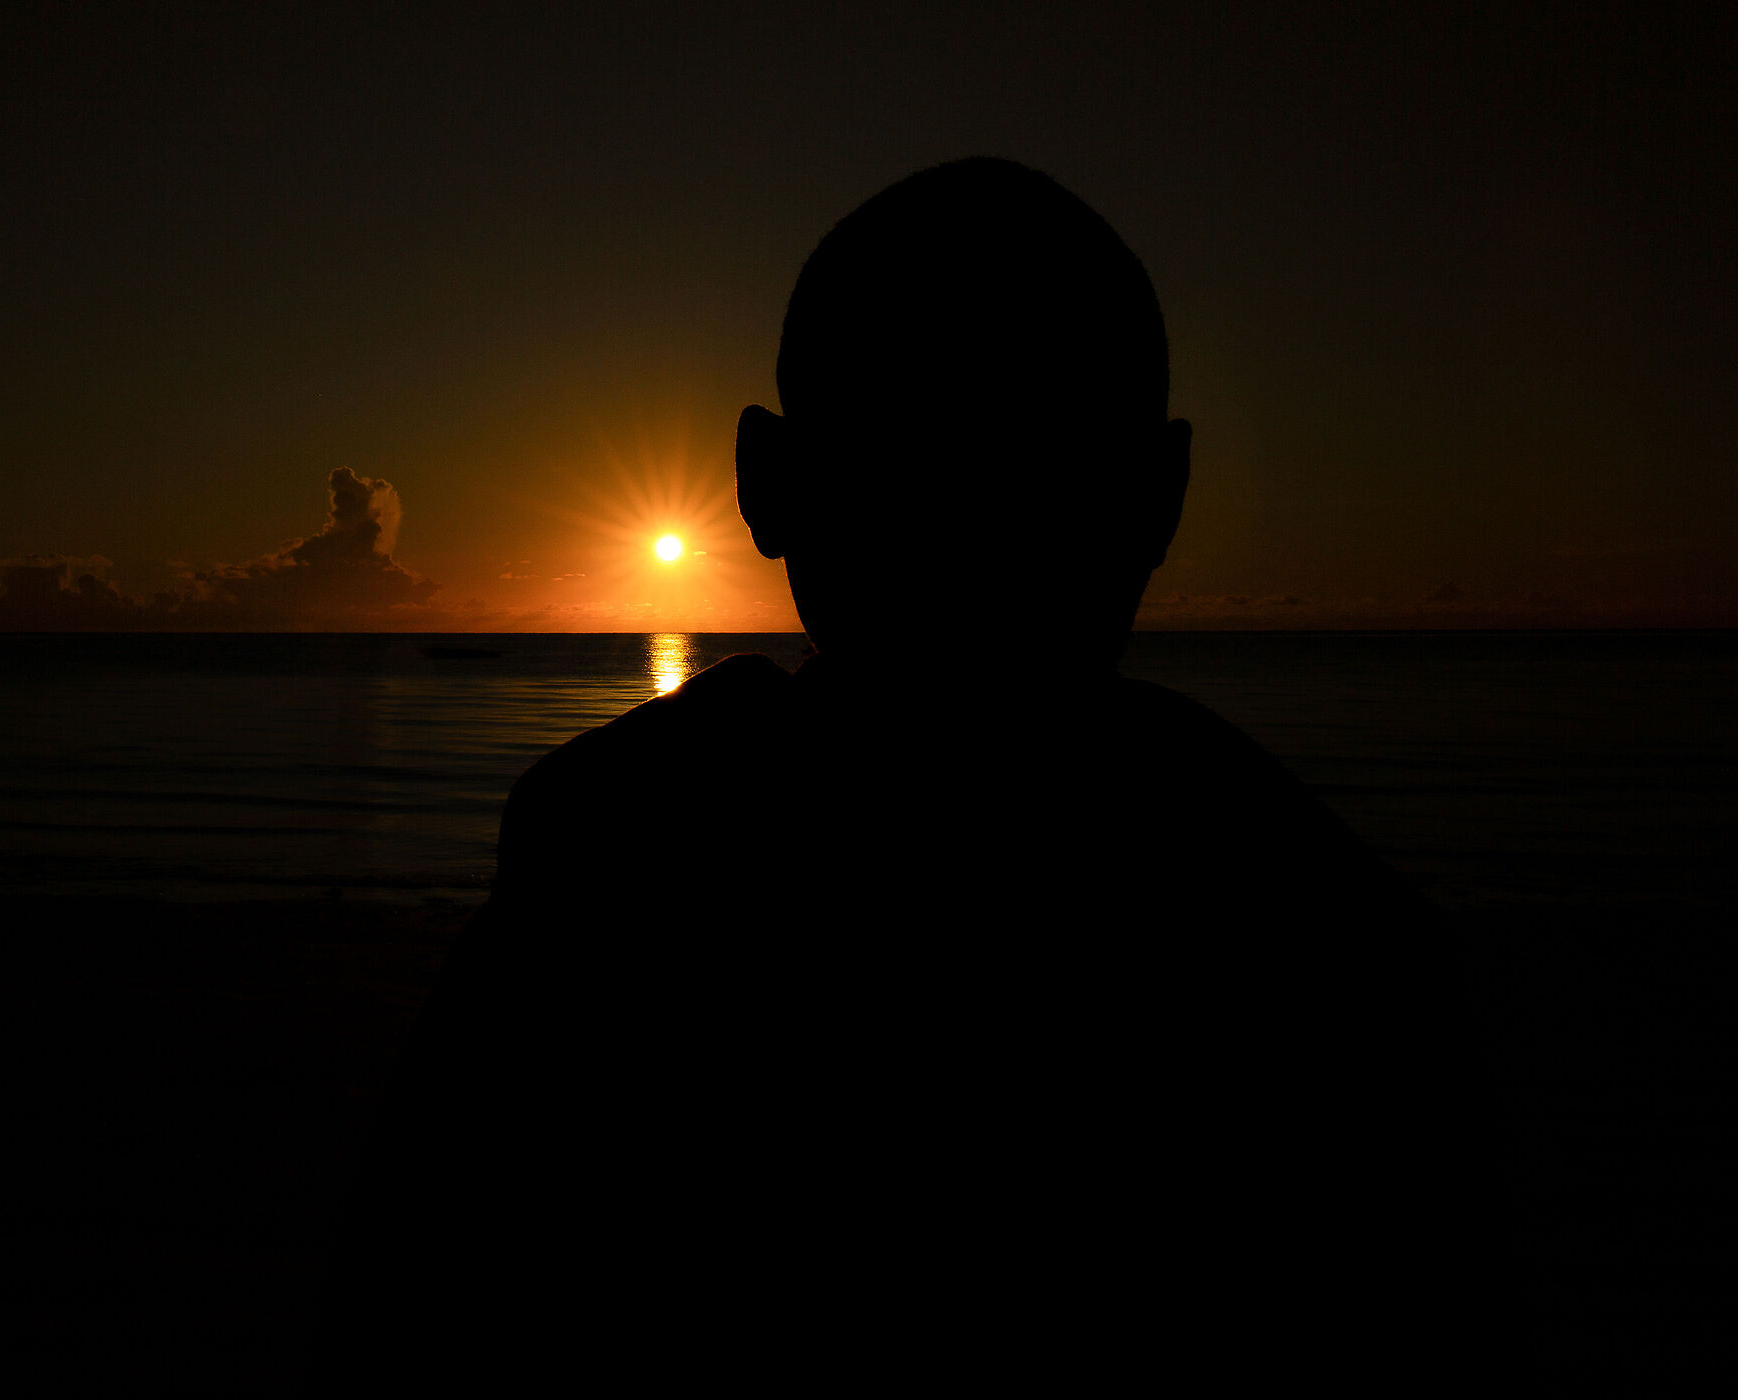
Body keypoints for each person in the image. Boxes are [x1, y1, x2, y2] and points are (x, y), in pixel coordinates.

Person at [325, 160, 1511, 1392]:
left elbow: (402, 1330)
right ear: (1160, 498)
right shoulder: (1324, 943)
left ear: (767, 483)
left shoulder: (611, 894)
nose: (973, 531)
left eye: (1020, 466)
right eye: (925, 458)